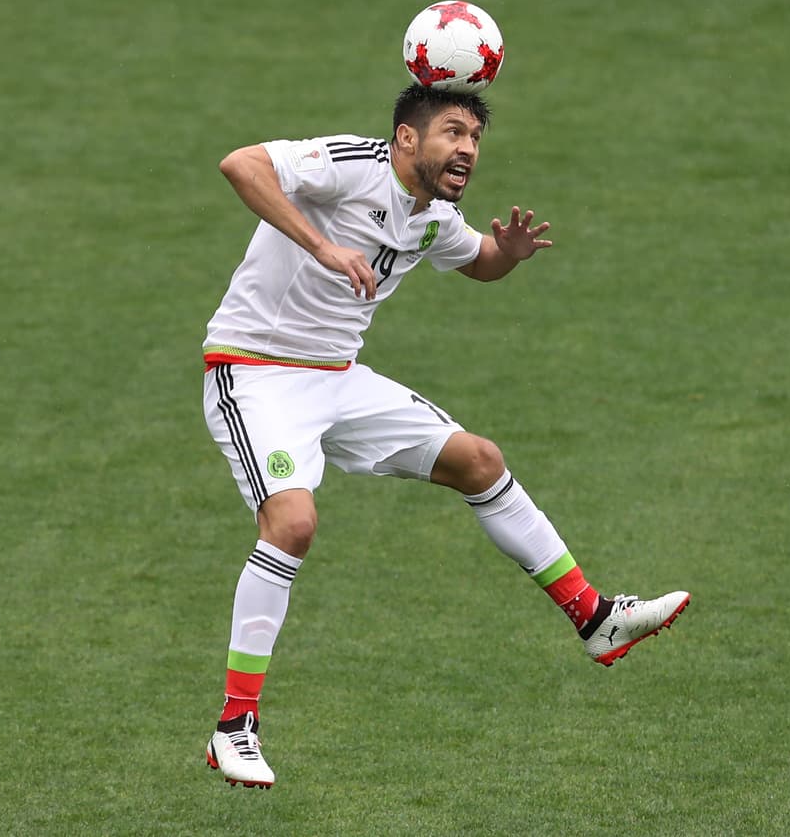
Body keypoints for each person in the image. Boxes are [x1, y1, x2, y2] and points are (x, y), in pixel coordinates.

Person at [201, 84, 690, 789]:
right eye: (453, 132)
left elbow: (478, 258)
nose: (467, 148)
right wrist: (324, 245)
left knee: (478, 458)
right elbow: (241, 164)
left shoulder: (433, 216)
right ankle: (233, 727)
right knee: (294, 523)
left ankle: (596, 618)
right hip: (254, 374)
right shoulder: (349, 165)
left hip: (338, 379)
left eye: (476, 138)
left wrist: (510, 253)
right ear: (407, 139)